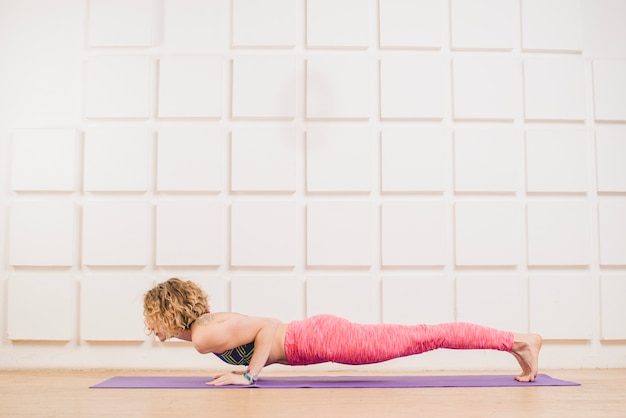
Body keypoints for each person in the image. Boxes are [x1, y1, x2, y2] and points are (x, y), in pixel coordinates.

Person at [144, 278, 542, 386]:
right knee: (423, 334)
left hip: (317, 339)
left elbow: (266, 326)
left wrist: (249, 375)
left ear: (168, 311)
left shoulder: (203, 337)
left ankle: (518, 340)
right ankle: (515, 342)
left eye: (152, 318)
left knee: (425, 335)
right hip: (316, 334)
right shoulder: (205, 325)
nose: (148, 327)